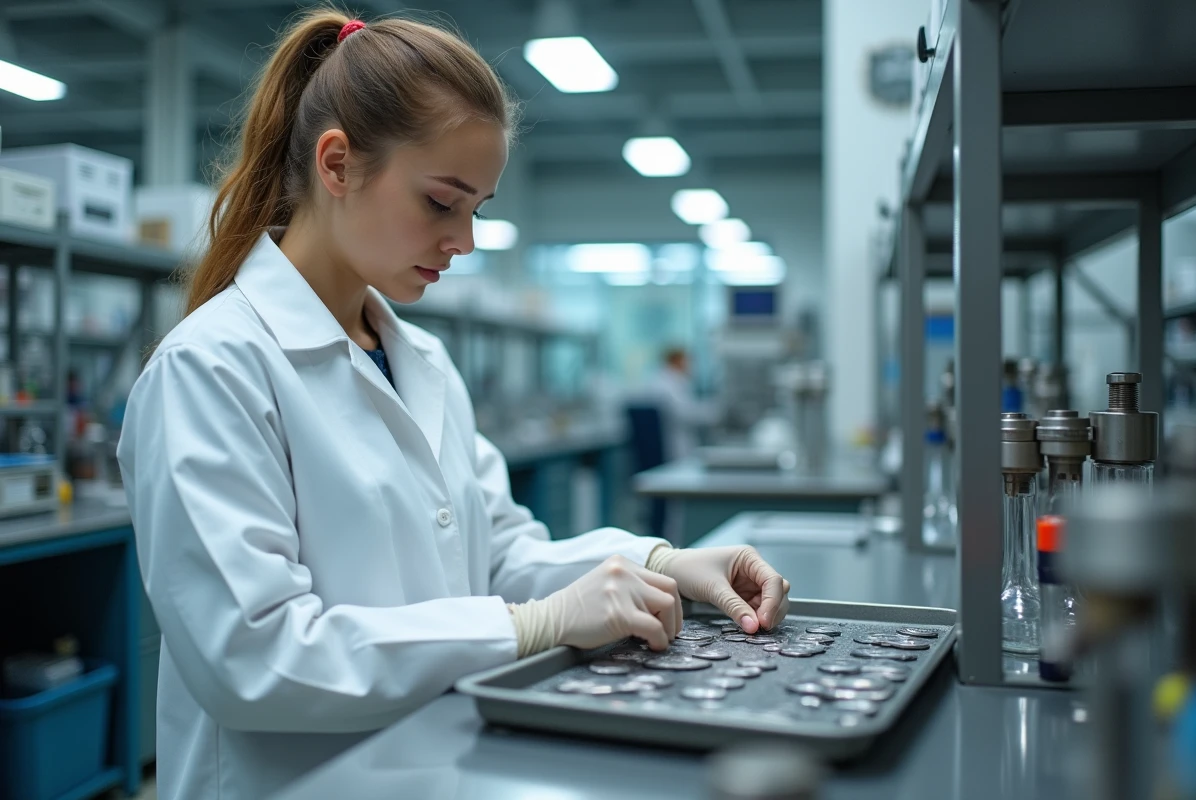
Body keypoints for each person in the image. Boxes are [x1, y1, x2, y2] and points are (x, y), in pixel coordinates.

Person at [116, 12, 791, 800]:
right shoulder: (211, 369)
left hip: (439, 766)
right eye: (442, 202)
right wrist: (527, 626)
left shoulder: (422, 361)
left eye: (479, 208)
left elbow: (499, 555)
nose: (464, 240)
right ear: (337, 164)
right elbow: (256, 656)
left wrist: (660, 562)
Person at [652, 347, 721, 460]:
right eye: (688, 361)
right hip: (674, 441)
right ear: (676, 361)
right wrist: (715, 411)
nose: (691, 366)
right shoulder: (668, 384)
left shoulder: (668, 380)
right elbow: (685, 413)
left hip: (674, 438)